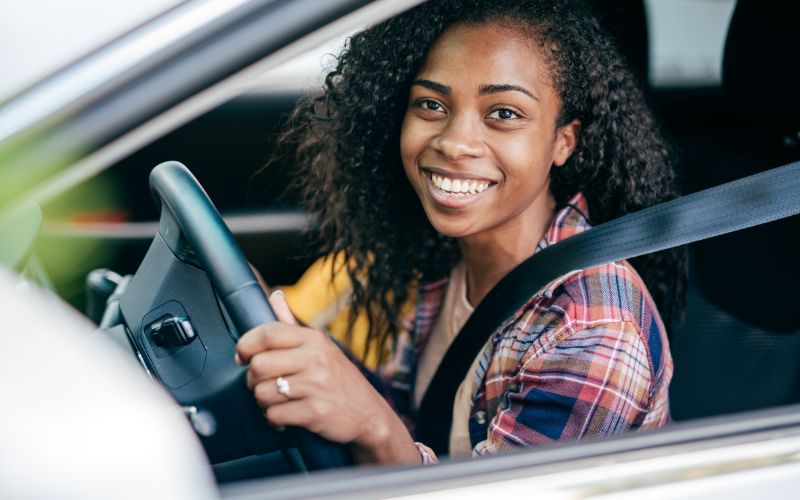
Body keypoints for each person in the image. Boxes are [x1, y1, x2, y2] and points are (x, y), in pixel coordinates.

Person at [236, 0, 686, 465]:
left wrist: (372, 425)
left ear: (562, 142)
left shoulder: (592, 329)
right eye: (432, 104)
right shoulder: (440, 254)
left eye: (504, 114)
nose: (454, 142)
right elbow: (419, 417)